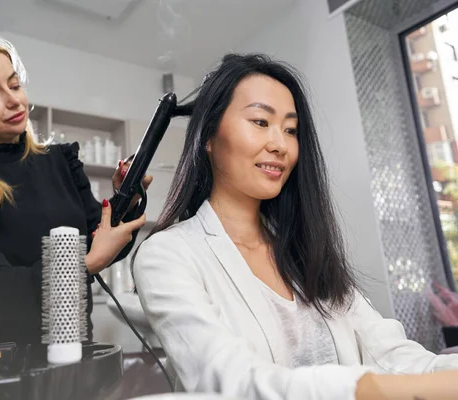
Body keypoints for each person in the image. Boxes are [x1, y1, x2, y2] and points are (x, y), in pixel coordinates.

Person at [133, 53, 458, 400]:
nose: (280, 144)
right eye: (260, 121)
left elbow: (394, 356)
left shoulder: (305, 251)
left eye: (291, 130)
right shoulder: (167, 255)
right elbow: (228, 380)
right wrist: (367, 388)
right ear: (208, 137)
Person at [0, 34, 150, 347]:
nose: (14, 100)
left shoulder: (60, 162)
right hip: (1, 365)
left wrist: (126, 201)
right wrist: (83, 266)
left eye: (15, 84)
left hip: (73, 348)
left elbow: (101, 243)